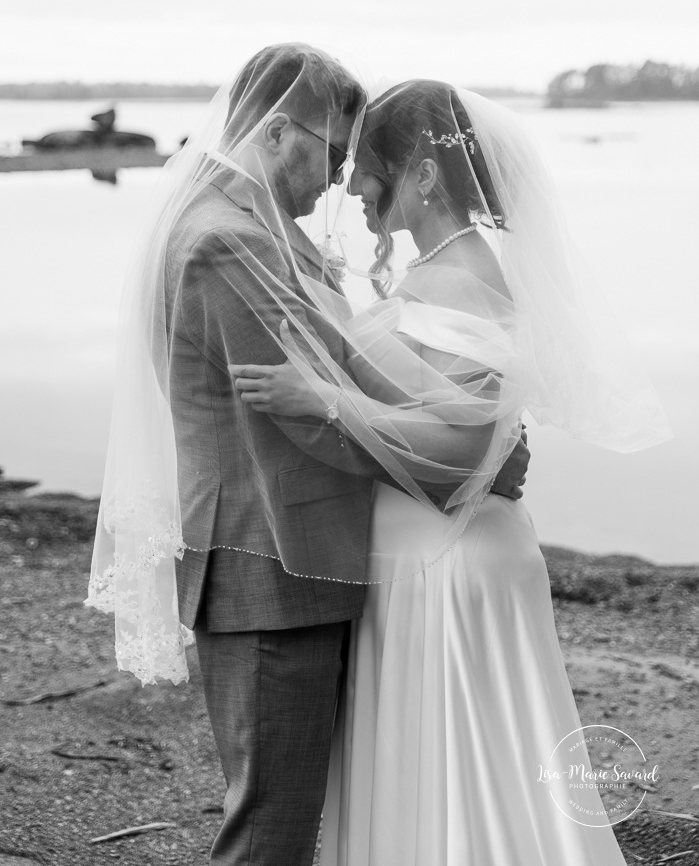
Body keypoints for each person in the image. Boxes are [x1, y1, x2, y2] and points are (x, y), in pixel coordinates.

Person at [86, 48, 528, 866]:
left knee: (290, 817)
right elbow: (328, 395)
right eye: (330, 153)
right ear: (278, 130)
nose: (338, 181)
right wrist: (477, 453)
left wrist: (472, 432)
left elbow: (338, 373)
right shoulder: (227, 241)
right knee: (271, 832)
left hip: (290, 561)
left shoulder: (245, 228)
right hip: (270, 564)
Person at [230, 79, 671, 865]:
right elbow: (473, 426)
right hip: (438, 555)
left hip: (441, 565)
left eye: (367, 169)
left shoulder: (460, 278)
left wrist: (320, 398)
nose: (354, 189)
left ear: (424, 177)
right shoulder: (444, 267)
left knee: (449, 781)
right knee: (454, 780)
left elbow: (465, 451)